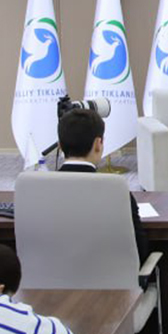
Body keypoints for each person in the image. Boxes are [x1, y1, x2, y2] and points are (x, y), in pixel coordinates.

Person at [57, 108, 148, 262]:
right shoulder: (116, 190)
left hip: (47, 277)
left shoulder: (35, 191)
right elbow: (139, 249)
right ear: (98, 144)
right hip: (112, 276)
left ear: (60, 145)